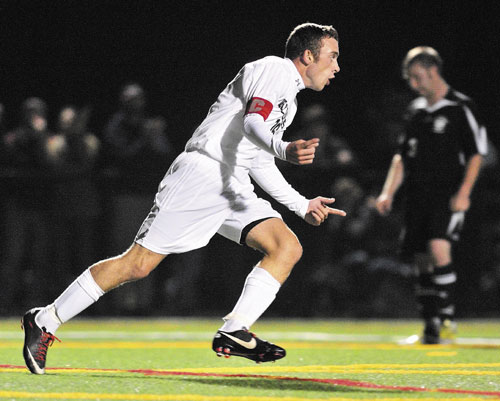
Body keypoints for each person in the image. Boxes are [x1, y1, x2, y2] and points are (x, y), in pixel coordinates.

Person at [22, 22, 345, 374]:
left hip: (231, 181)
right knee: (138, 264)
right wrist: (284, 147)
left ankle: (234, 330)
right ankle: (44, 320)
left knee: (286, 247)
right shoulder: (274, 69)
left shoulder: (290, 101)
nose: (336, 67)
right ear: (309, 55)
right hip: (203, 174)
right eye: (333, 57)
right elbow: (255, 122)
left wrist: (301, 204)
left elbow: (258, 160)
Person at [375, 46, 488, 344]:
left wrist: (464, 193)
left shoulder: (460, 107)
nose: (414, 84)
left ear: (433, 70)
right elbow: (401, 157)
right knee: (422, 260)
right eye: (410, 78)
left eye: (417, 77)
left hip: (447, 195)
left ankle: (448, 323)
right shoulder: (416, 111)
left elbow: (477, 155)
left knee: (439, 249)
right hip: (417, 196)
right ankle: (430, 329)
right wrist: (388, 192)